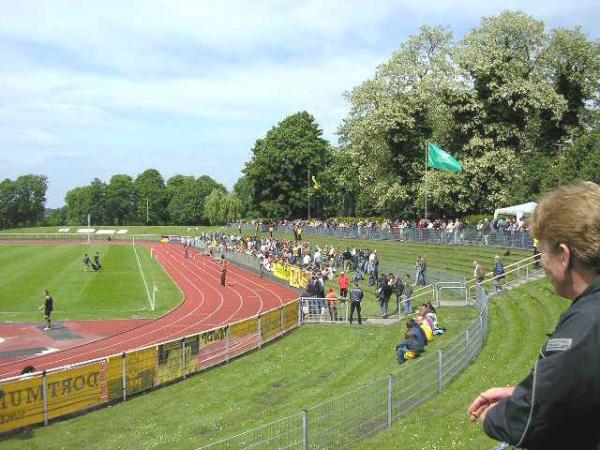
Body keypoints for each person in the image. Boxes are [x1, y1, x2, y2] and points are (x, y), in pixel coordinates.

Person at [468, 182, 600, 449]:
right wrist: (523, 394)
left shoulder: (585, 325)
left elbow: (525, 420)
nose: (540, 262)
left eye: (541, 252)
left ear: (564, 255)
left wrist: (491, 417)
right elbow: (579, 386)